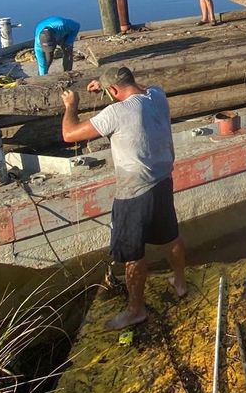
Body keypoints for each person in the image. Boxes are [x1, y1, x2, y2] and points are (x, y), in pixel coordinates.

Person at [61, 65, 187, 331]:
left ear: (114, 91)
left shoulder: (115, 113)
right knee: (170, 237)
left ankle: (136, 310)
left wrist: (71, 105)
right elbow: (137, 88)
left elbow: (69, 134)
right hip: (162, 181)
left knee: (133, 255)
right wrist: (105, 84)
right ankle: (180, 281)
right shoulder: (158, 95)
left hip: (133, 193)